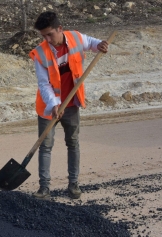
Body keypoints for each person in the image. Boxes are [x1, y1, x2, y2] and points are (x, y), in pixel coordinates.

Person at [29, 11, 109, 199]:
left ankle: (73, 185)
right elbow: (43, 83)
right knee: (45, 146)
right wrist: (54, 104)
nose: (47, 39)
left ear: (59, 29)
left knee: (73, 143)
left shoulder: (75, 38)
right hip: (49, 107)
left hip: (72, 103)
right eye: (44, 36)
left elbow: (90, 43)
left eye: (50, 34)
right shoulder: (40, 53)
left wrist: (100, 45)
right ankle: (44, 188)